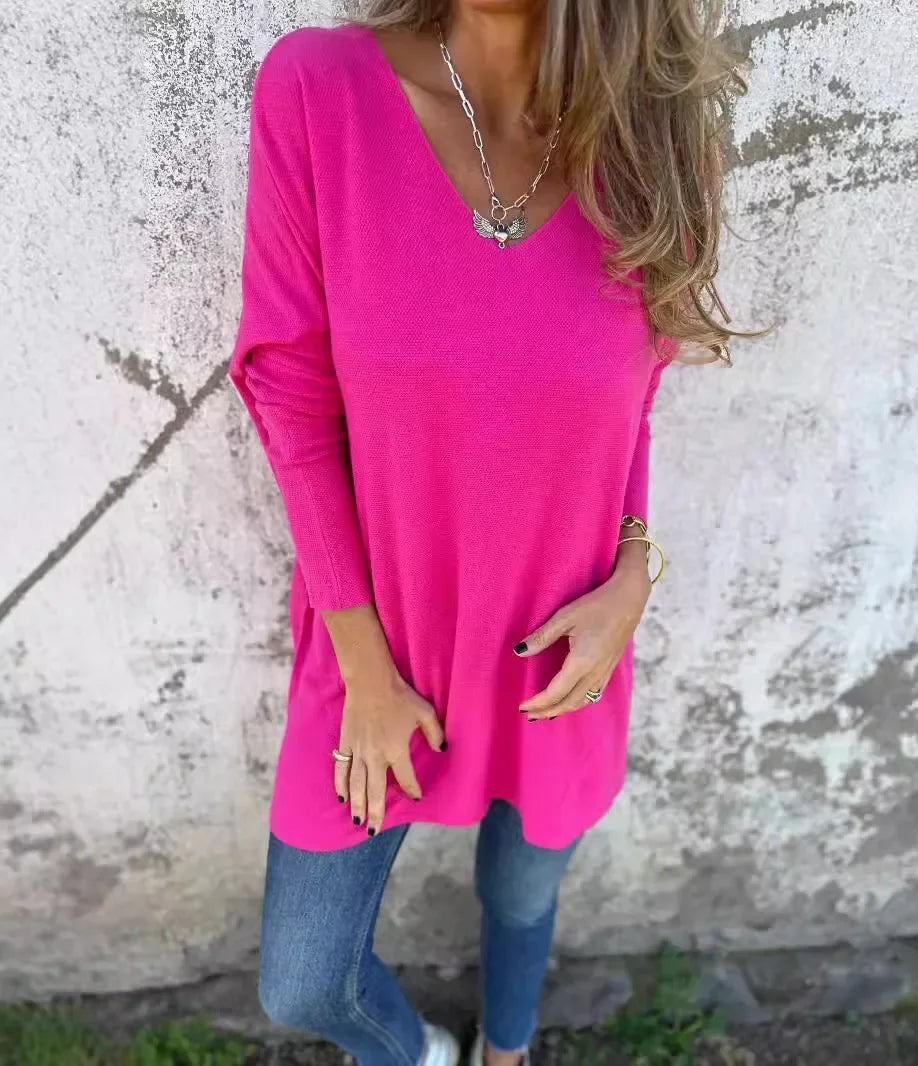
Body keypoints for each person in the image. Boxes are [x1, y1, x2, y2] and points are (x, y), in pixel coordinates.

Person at [228, 2, 743, 1063]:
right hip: (377, 647)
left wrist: (635, 571)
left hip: (561, 647)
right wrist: (364, 671)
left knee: (521, 894)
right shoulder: (320, 92)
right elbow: (290, 393)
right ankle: (422, 1054)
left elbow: (630, 405)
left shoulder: (651, 141)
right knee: (305, 977)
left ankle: (507, 1049)